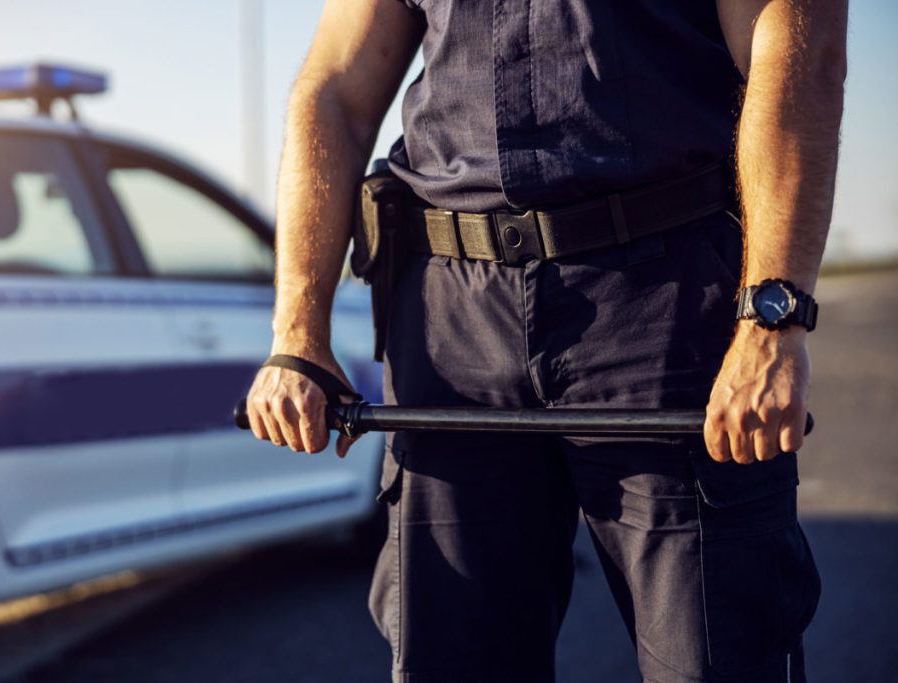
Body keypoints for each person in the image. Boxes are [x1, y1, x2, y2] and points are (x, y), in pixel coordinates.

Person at [245, 1, 847, 680]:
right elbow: (334, 91)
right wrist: (298, 332)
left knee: (716, 659)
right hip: (452, 324)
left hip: (667, 307)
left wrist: (772, 318)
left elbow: (798, 56)